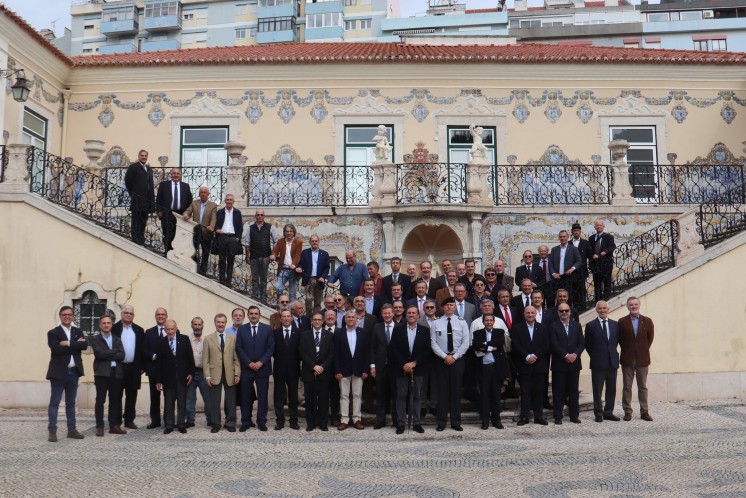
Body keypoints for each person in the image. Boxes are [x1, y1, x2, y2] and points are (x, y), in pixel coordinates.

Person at [46, 306, 88, 442]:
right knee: (55, 403)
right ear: (60, 316)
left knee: (71, 403)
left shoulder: (78, 331)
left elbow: (84, 345)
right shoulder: (53, 332)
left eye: (70, 314)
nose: (67, 316)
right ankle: (52, 431)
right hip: (58, 373)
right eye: (64, 314)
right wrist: (74, 346)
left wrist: (68, 343)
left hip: (74, 372)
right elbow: (56, 349)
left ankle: (72, 430)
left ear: (73, 317)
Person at [430, 297, 470, 431]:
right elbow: (433, 342)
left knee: (455, 391)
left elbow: (466, 341)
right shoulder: (436, 323)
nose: (449, 307)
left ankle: (456, 422)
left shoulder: (462, 322)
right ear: (442, 307)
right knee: (442, 392)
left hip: (457, 360)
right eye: (446, 305)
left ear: (455, 307)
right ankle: (441, 422)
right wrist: (444, 356)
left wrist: (455, 356)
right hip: (441, 360)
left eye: (451, 305)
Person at [391, 305, 430, 434]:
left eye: (414, 313)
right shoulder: (398, 329)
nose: (411, 315)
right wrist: (405, 364)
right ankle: (401, 423)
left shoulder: (425, 330)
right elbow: (393, 349)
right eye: (409, 313)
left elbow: (427, 350)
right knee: (401, 396)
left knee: (417, 396)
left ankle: (416, 423)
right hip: (401, 368)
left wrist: (414, 363)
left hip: (418, 369)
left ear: (418, 315)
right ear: (405, 315)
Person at [236, 306, 274, 431]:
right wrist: (249, 363)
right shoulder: (242, 329)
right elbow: (239, 348)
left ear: (259, 315)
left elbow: (271, 348)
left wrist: (261, 362)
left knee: (262, 397)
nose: (253, 315)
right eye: (251, 313)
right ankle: (246, 421)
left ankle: (261, 421)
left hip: (262, 369)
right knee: (246, 397)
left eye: (256, 313)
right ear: (248, 315)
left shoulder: (267, 329)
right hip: (247, 369)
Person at [511, 306, 550, 426]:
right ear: (524, 314)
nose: (530, 315)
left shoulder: (543, 328)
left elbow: (546, 344)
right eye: (528, 312)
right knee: (525, 392)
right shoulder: (517, 328)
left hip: (539, 365)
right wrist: (527, 356)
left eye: (532, 312)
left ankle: (539, 417)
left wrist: (535, 356)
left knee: (539, 392)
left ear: (535, 314)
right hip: (524, 365)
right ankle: (524, 417)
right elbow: (515, 344)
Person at [618, 297, 654, 422]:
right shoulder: (622, 322)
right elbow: (620, 340)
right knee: (627, 386)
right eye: (631, 305)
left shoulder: (647, 321)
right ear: (628, 307)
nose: (634, 306)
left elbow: (649, 339)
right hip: (627, 359)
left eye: (635, 304)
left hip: (642, 359)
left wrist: (640, 350)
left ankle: (644, 411)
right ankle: (627, 411)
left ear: (639, 305)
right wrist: (630, 350)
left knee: (642, 386)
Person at [203, 313, 241, 433]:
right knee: (214, 400)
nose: (220, 324)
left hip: (230, 372)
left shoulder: (232, 338)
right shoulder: (208, 339)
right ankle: (215, 423)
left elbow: (236, 358)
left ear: (225, 323)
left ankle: (230, 423)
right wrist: (207, 375)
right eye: (218, 322)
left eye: (223, 322)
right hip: (214, 373)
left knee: (231, 400)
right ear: (215, 323)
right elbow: (205, 359)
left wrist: (237, 373)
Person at [155, 319, 195, 434]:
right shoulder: (161, 342)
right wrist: (158, 380)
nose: (170, 331)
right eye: (168, 329)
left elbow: (190, 359)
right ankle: (169, 425)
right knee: (169, 403)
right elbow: (159, 364)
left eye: (172, 329)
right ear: (165, 329)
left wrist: (191, 373)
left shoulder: (184, 339)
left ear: (176, 328)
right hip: (168, 379)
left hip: (182, 378)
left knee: (182, 403)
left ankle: (181, 424)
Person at [584, 300, 621, 423]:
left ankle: (608, 412)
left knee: (611, 389)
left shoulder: (615, 325)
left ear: (608, 309)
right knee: (597, 389)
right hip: (598, 362)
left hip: (612, 362)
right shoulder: (590, 325)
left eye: (605, 308)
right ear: (596, 310)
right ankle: (598, 413)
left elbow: (615, 342)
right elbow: (588, 345)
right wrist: (596, 356)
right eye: (600, 308)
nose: (602, 310)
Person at [90, 314, 126, 437]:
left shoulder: (116, 338)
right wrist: (114, 352)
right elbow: (99, 355)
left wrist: (107, 353)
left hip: (116, 373)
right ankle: (99, 426)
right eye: (104, 323)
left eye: (108, 323)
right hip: (101, 374)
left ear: (111, 325)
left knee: (115, 400)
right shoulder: (95, 339)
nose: (106, 325)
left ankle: (114, 426)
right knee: (100, 400)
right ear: (100, 325)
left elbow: (122, 355)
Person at [549, 303, 584, 424]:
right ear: (558, 312)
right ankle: (558, 416)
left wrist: (575, 354)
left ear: (570, 311)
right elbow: (553, 344)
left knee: (573, 391)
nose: (564, 313)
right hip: (560, 363)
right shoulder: (553, 326)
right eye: (561, 311)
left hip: (574, 363)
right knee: (558, 391)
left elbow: (581, 343)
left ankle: (574, 416)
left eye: (566, 310)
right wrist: (565, 355)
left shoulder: (577, 325)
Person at [472, 313, 509, 430]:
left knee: (496, 395)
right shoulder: (477, 333)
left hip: (496, 367)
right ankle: (485, 420)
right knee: (484, 395)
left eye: (490, 320)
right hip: (484, 368)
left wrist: (485, 345)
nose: (488, 322)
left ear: (493, 321)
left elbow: (499, 343)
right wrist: (490, 347)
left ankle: (496, 420)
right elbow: (475, 345)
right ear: (483, 322)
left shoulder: (499, 332)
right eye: (486, 320)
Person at [111, 304, 145, 431]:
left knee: (132, 394)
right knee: (117, 394)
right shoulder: (114, 329)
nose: (128, 315)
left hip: (133, 367)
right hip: (118, 367)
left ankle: (129, 420)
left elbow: (142, 350)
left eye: (131, 313)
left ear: (133, 315)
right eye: (126, 313)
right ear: (121, 314)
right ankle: (116, 421)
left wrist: (142, 366)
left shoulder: (139, 330)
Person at [334, 311, 369, 430]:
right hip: (343, 370)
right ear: (344, 319)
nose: (350, 319)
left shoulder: (363, 333)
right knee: (344, 395)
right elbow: (335, 354)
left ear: (356, 319)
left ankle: (357, 419)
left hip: (359, 370)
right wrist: (337, 370)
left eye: (353, 317)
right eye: (348, 317)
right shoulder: (338, 333)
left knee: (357, 395)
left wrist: (365, 369)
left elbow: (366, 353)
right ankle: (344, 419)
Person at [299, 312, 334, 431]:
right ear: (311, 321)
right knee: (310, 400)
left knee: (323, 400)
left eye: (319, 319)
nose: (317, 321)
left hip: (324, 372)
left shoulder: (329, 335)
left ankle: (323, 423)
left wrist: (322, 367)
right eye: (315, 319)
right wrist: (314, 366)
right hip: (309, 372)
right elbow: (302, 353)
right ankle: (311, 423)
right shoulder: (305, 335)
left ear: (323, 321)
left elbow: (331, 353)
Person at [369, 304, 397, 429]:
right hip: (380, 367)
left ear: (393, 313)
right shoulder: (377, 327)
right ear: (382, 314)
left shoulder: (400, 327)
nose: (387, 315)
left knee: (396, 395)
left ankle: (397, 420)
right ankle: (380, 420)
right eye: (384, 313)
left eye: (389, 313)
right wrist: (372, 366)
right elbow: (372, 348)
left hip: (395, 367)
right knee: (380, 395)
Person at [272, 310, 301, 430]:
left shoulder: (299, 333)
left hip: (294, 369)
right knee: (278, 395)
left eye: (288, 316)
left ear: (291, 318)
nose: (286, 319)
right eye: (284, 317)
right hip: (279, 368)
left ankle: (293, 420)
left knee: (293, 396)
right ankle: (280, 420)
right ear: (280, 319)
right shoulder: (275, 333)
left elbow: (301, 350)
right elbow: (272, 350)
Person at [155, 167, 193, 254]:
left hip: (181, 215)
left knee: (178, 235)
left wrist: (188, 213)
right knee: (168, 235)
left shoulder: (185, 186)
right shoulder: (164, 185)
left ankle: (176, 254)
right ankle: (168, 253)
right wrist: (159, 211)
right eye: (174, 173)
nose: (176, 175)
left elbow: (190, 201)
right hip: (167, 213)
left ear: (180, 175)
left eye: (177, 173)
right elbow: (159, 199)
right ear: (171, 175)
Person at [244, 209, 278, 303]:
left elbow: (276, 242)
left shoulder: (270, 227)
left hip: (265, 256)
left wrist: (273, 254)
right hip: (254, 257)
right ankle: (255, 296)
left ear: (264, 216)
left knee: (263, 278)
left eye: (261, 215)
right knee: (254, 278)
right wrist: (247, 256)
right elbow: (247, 243)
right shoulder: (250, 228)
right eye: (258, 215)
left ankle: (263, 297)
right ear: (255, 216)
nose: (260, 216)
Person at [182, 186, 217, 275]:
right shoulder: (194, 203)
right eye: (201, 192)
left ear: (208, 194)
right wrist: (186, 214)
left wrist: (211, 226)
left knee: (205, 253)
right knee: (192, 250)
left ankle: (203, 271)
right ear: (199, 194)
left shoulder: (213, 205)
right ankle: (195, 266)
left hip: (206, 232)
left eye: (205, 192)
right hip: (196, 231)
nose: (203, 194)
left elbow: (213, 218)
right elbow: (188, 211)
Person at [143, 307, 169, 429]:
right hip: (153, 369)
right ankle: (155, 421)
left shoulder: (173, 330)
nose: (160, 316)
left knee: (168, 396)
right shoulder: (149, 332)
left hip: (168, 371)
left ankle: (168, 420)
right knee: (154, 397)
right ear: (155, 316)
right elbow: (144, 349)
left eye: (163, 314)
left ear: (166, 316)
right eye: (158, 314)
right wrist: (153, 356)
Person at [124, 149, 155, 245]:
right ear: (139, 157)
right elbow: (128, 181)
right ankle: (135, 238)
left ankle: (141, 238)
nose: (144, 157)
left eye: (145, 156)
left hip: (147, 200)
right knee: (136, 220)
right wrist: (133, 194)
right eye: (142, 155)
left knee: (143, 220)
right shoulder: (133, 167)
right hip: (137, 199)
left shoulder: (149, 169)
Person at [186, 317, 211, 428]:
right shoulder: (187, 339)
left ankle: (210, 419)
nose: (197, 326)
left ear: (202, 325)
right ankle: (190, 420)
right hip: (190, 372)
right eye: (195, 324)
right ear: (192, 325)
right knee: (190, 398)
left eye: (199, 324)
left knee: (208, 398)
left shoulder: (208, 338)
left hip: (204, 372)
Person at [296, 234, 330, 314]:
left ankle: (316, 317)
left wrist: (323, 277)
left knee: (318, 301)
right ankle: (308, 317)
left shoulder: (324, 254)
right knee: (308, 299)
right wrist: (300, 268)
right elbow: (301, 263)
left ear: (319, 242)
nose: (314, 242)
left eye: (316, 241)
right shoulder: (305, 252)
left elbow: (327, 267)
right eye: (312, 241)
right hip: (309, 279)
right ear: (310, 242)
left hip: (319, 280)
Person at [215, 194, 243, 287]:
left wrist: (237, 238)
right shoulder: (220, 212)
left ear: (233, 201)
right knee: (222, 259)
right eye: (227, 200)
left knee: (231, 260)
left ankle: (229, 281)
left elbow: (240, 227)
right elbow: (215, 224)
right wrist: (217, 229)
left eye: (231, 200)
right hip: (222, 236)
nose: (229, 201)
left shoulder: (237, 212)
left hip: (232, 238)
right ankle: (222, 280)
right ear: (225, 201)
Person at [549, 230, 585, 304]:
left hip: (569, 278)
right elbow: (550, 263)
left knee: (569, 299)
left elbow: (579, 261)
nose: (562, 238)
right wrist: (553, 273)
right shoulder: (554, 249)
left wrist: (572, 269)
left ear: (568, 237)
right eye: (561, 237)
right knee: (557, 299)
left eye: (564, 236)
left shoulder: (573, 249)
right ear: (559, 238)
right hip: (557, 279)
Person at [271, 223, 303, 301]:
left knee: (292, 293)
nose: (289, 233)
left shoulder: (298, 242)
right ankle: (281, 304)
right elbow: (276, 250)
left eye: (290, 231)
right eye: (287, 231)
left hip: (293, 271)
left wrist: (294, 264)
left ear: (293, 232)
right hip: (283, 269)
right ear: (284, 232)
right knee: (278, 287)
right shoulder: (280, 241)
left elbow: (297, 255)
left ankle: (291, 311)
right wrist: (273, 255)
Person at [588, 220, 616, 303]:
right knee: (597, 282)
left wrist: (605, 252)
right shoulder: (592, 238)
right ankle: (598, 300)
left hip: (606, 263)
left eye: (600, 225)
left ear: (603, 227)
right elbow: (589, 249)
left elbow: (612, 246)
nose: (599, 226)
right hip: (595, 264)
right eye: (597, 225)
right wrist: (592, 255)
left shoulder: (608, 236)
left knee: (607, 281)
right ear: (595, 227)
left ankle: (607, 298)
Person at [323, 309, 342, 427]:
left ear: (336, 318)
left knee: (336, 395)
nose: (330, 317)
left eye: (332, 315)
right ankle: (323, 417)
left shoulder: (341, 332)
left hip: (337, 368)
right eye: (328, 315)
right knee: (323, 394)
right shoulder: (318, 331)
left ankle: (335, 417)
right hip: (323, 368)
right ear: (324, 318)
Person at [570, 223, 591, 307]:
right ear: (572, 232)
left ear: (580, 232)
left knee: (582, 289)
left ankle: (583, 306)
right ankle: (575, 307)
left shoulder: (585, 243)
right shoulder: (568, 243)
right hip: (571, 272)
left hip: (582, 271)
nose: (576, 232)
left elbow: (590, 256)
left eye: (578, 231)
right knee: (573, 290)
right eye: (574, 231)